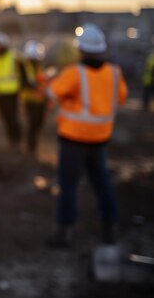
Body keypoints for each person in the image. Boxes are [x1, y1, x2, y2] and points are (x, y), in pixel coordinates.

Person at [46, 24, 127, 247]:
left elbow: (52, 93)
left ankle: (65, 233)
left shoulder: (74, 72)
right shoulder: (114, 72)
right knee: (102, 183)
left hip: (74, 139)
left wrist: (61, 87)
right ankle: (110, 228)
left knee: (69, 186)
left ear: (80, 50)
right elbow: (120, 97)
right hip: (100, 138)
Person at [0, 31, 23, 149]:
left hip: (12, 93)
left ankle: (16, 140)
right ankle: (11, 140)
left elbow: (22, 74)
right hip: (0, 94)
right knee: (5, 118)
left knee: (13, 118)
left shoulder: (14, 57)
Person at [20, 40, 47, 158]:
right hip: (30, 100)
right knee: (32, 125)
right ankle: (31, 148)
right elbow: (23, 82)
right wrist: (34, 85)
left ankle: (34, 146)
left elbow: (41, 80)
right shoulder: (24, 66)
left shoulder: (39, 66)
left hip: (41, 99)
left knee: (38, 124)